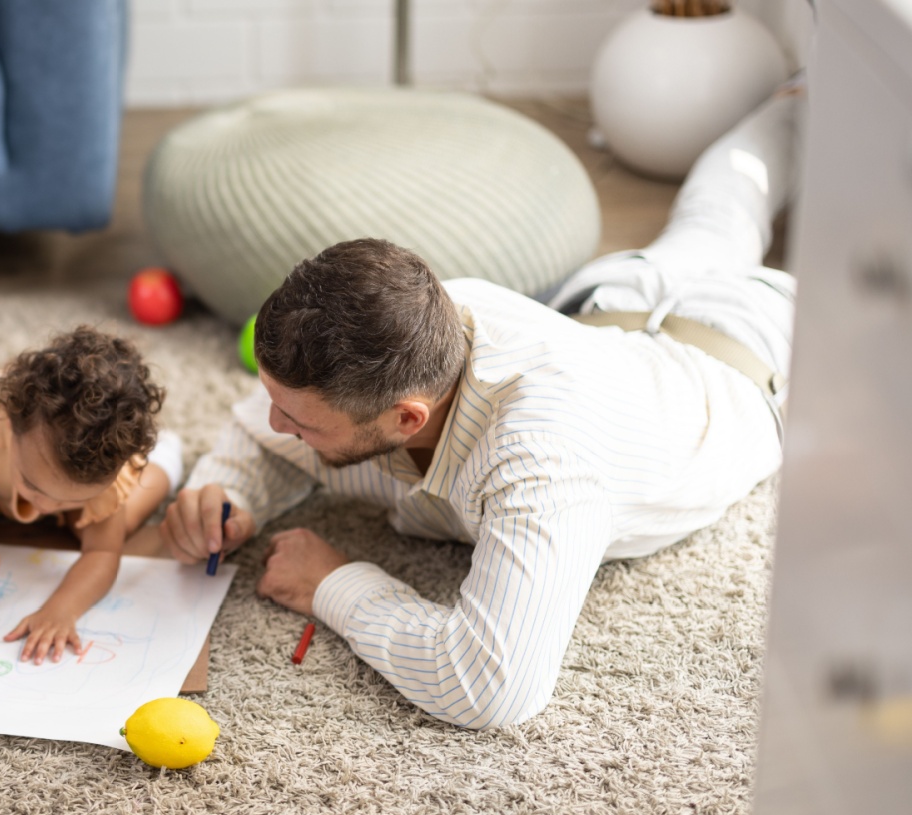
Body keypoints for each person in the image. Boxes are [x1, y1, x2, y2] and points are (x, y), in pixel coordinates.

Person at [160, 92, 801, 729]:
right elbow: (255, 428)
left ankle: (814, 98)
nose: (272, 425)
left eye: (298, 422)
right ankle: (795, 99)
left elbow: (489, 686)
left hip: (748, 345)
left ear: (407, 418)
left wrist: (333, 582)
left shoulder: (542, 461)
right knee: (712, 221)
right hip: (613, 300)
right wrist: (231, 491)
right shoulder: (416, 322)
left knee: (796, 235)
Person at [0, 326, 183, 664]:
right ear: (11, 423)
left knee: (126, 518)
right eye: (34, 487)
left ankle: (166, 459)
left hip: (64, 478)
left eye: (69, 501)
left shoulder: (101, 467)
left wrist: (61, 610)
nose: (45, 508)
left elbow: (103, 552)